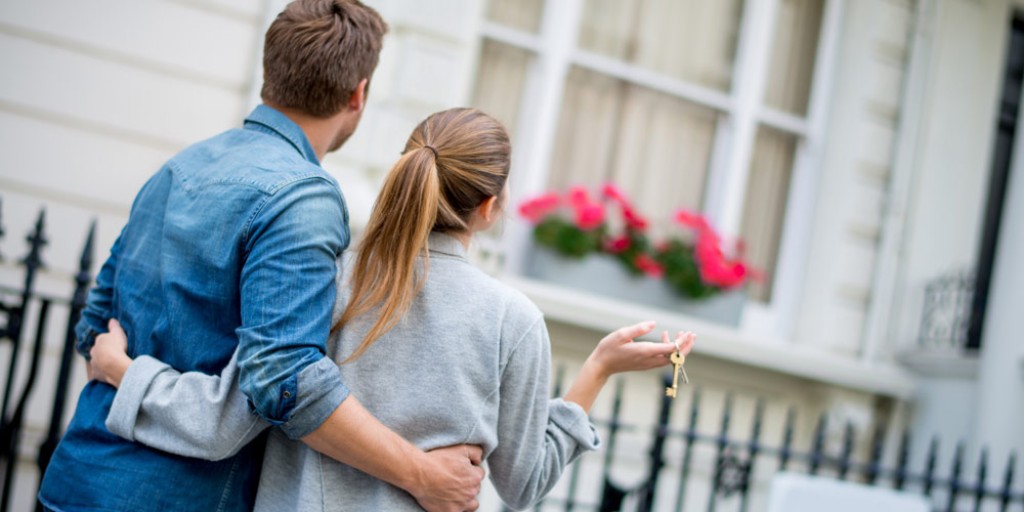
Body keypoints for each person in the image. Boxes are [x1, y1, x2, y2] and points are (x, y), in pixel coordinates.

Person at [87, 107, 697, 510]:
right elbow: (524, 484)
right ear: (490, 207)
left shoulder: (326, 279)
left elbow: (227, 417)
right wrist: (597, 371)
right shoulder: (512, 321)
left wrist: (124, 372)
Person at [38, 2, 483, 511]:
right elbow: (285, 382)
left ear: (269, 73)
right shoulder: (304, 198)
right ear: (358, 94)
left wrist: (124, 371)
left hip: (75, 481)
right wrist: (422, 474)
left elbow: (93, 329)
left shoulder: (180, 165)